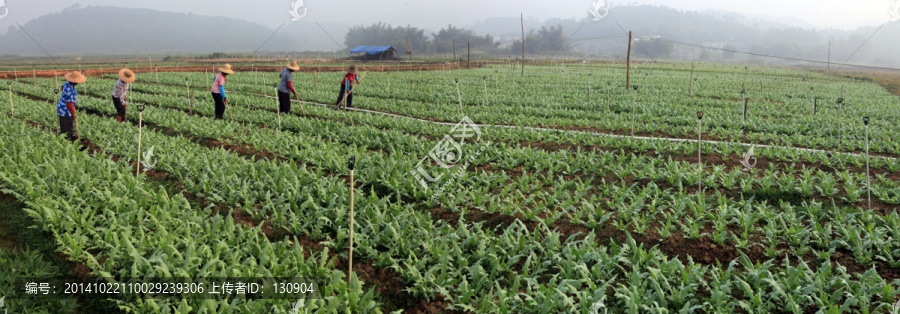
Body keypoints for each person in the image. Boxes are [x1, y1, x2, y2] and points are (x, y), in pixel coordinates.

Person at [57, 71, 86, 141]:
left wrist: (64, 95)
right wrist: (73, 113)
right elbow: (69, 104)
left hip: (62, 108)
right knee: (67, 128)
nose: (78, 82)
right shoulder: (70, 90)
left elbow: (62, 87)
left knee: (67, 125)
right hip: (65, 110)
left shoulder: (67, 84)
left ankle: (67, 140)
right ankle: (67, 142)